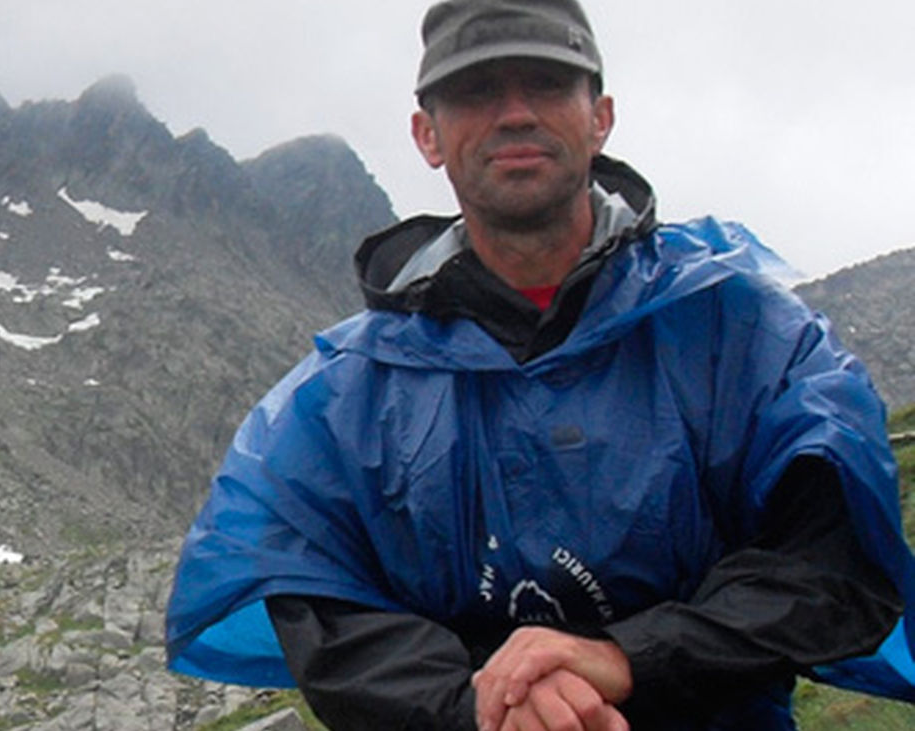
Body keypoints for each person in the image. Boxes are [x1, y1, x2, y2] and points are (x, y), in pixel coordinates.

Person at [166, 0, 915, 728]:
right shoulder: (345, 394)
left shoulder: (742, 332)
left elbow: (828, 561)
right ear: (427, 135)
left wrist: (627, 658)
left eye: (549, 84)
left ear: (601, 117)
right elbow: (317, 598)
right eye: (475, 91)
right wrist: (484, 705)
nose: (515, 113)